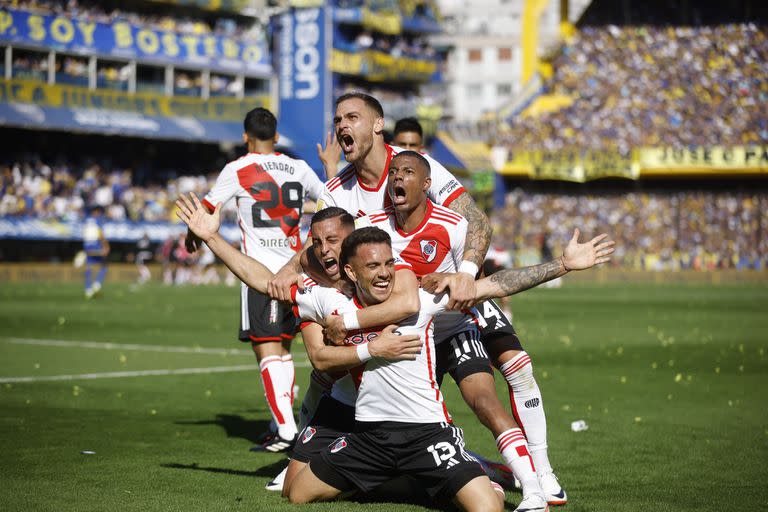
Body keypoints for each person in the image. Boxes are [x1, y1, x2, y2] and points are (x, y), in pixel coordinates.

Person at [175, 192, 613, 511]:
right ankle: (404, 479)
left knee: (486, 504)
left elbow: (490, 286)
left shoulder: (410, 288)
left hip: (422, 428)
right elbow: (266, 283)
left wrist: (561, 265)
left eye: (335, 241)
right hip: (361, 420)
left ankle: (454, 473)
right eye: (319, 243)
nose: (325, 250)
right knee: (296, 490)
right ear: (349, 268)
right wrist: (213, 239)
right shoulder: (321, 297)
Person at [277, 93, 570, 505]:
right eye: (338, 118)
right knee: (333, 376)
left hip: (449, 305)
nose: (343, 125)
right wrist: (285, 275)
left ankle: (541, 474)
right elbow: (321, 243)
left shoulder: (415, 167)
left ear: (378, 125)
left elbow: (476, 219)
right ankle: (310, 452)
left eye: (352, 117)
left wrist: (465, 276)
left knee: (512, 370)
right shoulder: (337, 190)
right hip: (402, 322)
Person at [349, 151, 609, 510]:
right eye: (393, 172)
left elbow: (487, 286)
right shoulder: (372, 229)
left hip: (455, 330)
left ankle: (535, 490)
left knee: (486, 401)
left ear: (427, 185)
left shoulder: (454, 227)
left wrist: (562, 265)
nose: (396, 178)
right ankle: (480, 469)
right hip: (407, 341)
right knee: (401, 427)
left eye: (407, 172)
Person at [185, 107, 325, 451]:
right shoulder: (300, 168)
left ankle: (287, 432)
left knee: (266, 351)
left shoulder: (238, 169)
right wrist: (301, 212)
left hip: (260, 273)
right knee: (285, 348)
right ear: (276, 136)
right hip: (298, 271)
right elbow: (329, 202)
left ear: (246, 136)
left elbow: (207, 210)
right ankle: (283, 424)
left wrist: (192, 237)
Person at [320, 115, 425, 180]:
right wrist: (331, 166)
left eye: (412, 145)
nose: (406, 150)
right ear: (392, 145)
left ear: (421, 148)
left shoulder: (433, 171)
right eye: (402, 144)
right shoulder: (377, 171)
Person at [83, 206, 109, 299]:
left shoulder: (86, 220)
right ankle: (97, 283)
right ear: (97, 212)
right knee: (104, 265)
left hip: (87, 246)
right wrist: (106, 246)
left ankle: (88, 290)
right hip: (96, 246)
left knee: (88, 267)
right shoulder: (98, 221)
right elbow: (100, 234)